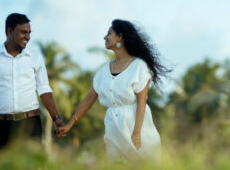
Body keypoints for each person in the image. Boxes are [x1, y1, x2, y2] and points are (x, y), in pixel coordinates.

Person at [56, 19, 169, 162]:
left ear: (120, 37)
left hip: (136, 126)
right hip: (113, 127)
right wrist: (70, 125)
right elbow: (90, 98)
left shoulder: (139, 66)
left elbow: (142, 101)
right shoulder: (104, 70)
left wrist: (136, 132)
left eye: (109, 33)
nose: (105, 37)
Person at [0, 13, 65, 152]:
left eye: (29, 33)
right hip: (3, 126)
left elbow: (44, 90)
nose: (28, 37)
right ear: (10, 31)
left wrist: (56, 118)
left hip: (31, 124)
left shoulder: (35, 56)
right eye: (23, 32)